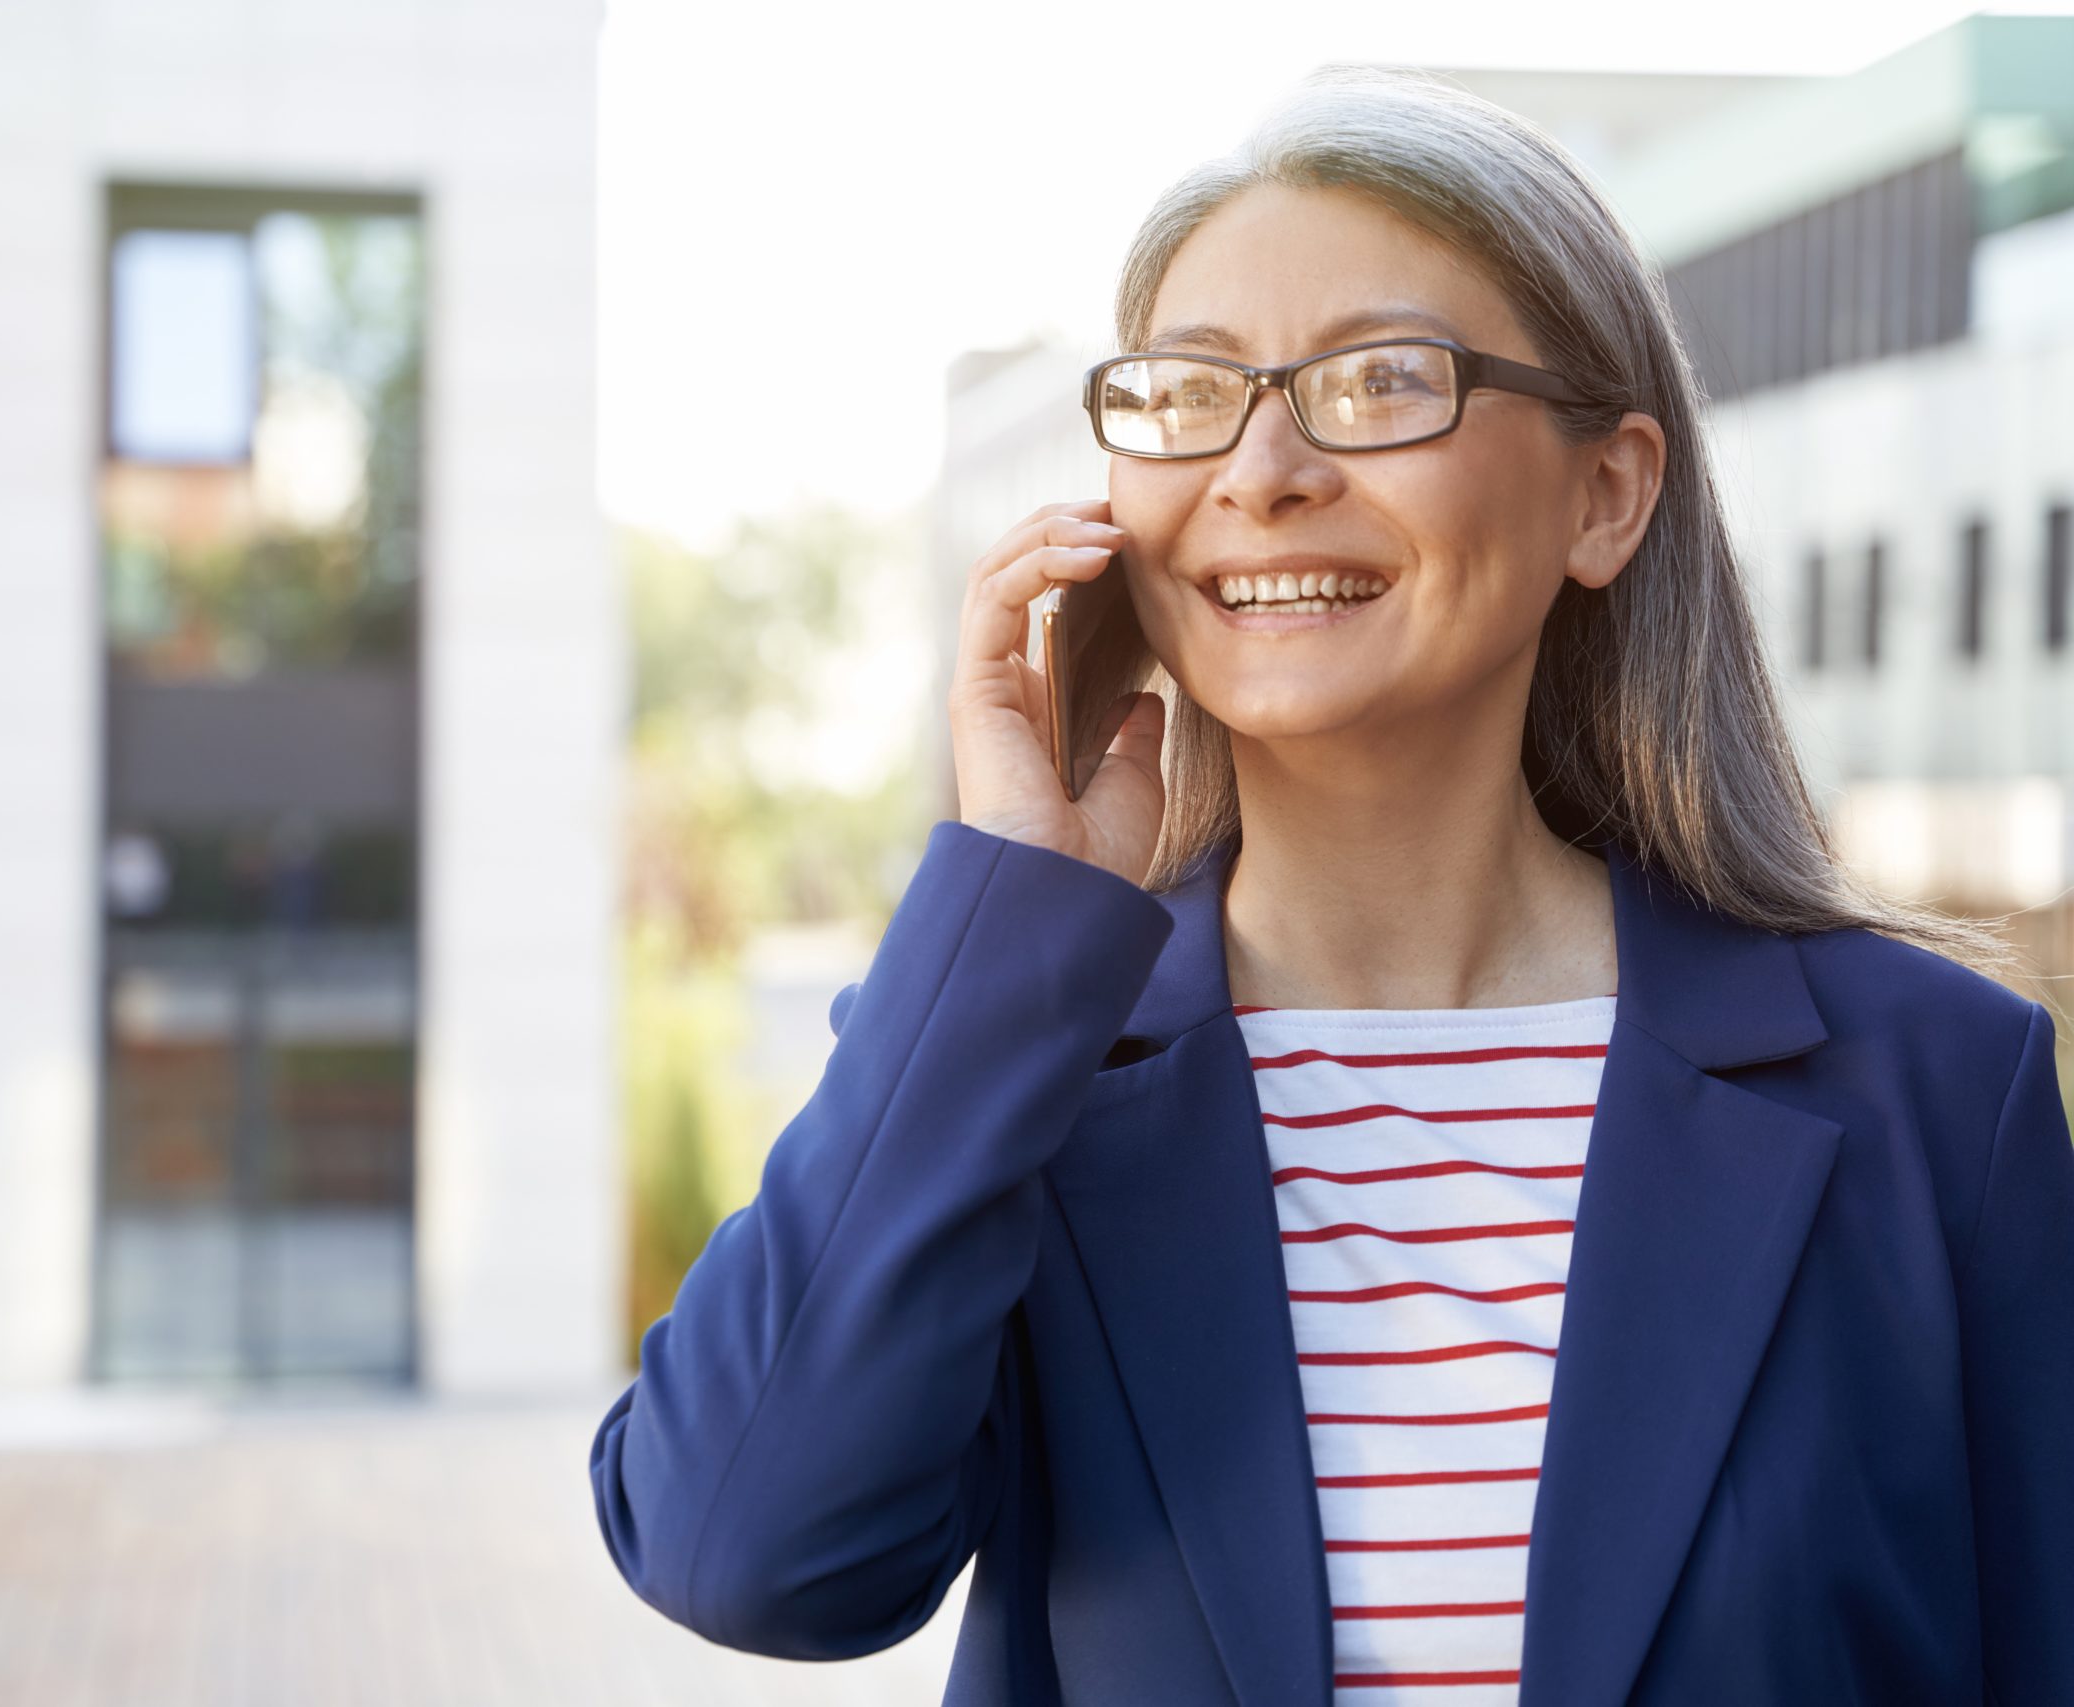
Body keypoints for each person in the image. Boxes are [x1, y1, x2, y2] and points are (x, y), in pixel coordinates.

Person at [589, 63, 2074, 1706]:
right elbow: (741, 1553)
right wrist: (1011, 899)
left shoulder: (1935, 1093)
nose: (1266, 466)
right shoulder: (1025, 1085)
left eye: (1380, 382)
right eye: (1192, 393)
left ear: (1608, 493)